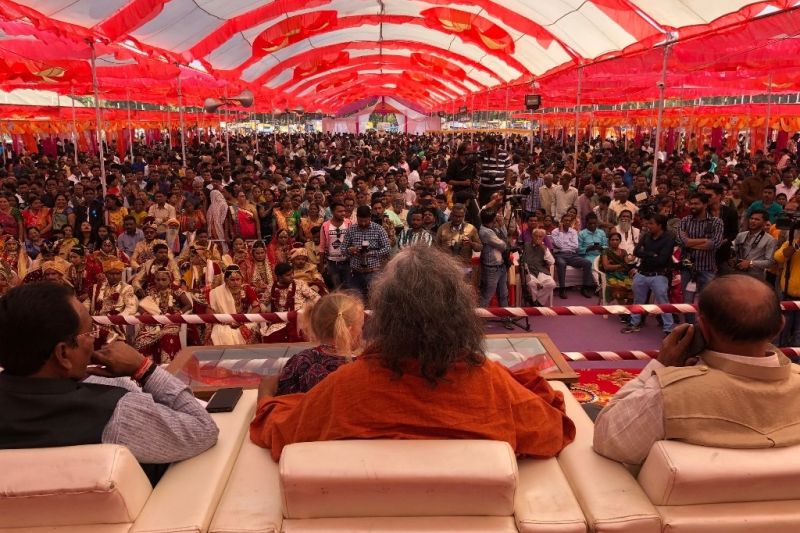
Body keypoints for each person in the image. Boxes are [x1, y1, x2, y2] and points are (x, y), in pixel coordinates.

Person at [249, 246, 575, 461]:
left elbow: (277, 430)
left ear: (385, 315)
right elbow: (553, 430)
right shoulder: (490, 383)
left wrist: (266, 397)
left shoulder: (345, 385)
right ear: (460, 314)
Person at [0, 283, 218, 485]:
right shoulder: (115, 413)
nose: (95, 340)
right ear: (63, 353)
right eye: (89, 332)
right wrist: (143, 369)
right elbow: (203, 428)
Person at [594, 275, 796, 466]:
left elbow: (607, 439)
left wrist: (660, 366)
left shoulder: (668, 396)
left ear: (703, 328)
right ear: (780, 326)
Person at [275, 292, 364, 396]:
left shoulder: (300, 360)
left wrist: (266, 389)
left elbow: (283, 398)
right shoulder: (360, 369)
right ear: (349, 330)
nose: (361, 331)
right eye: (361, 326)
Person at [622, 214, 677, 335]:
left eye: (651, 223)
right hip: (642, 273)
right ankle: (634, 323)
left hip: (659, 275)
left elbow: (662, 259)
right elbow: (636, 251)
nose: (648, 225)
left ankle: (668, 329)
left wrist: (645, 254)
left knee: (663, 302)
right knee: (637, 300)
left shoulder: (669, 237)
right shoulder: (646, 235)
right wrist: (652, 254)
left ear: (660, 225)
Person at [675, 192, 723, 324]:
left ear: (705, 204)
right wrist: (704, 240)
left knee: (707, 302)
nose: (692, 206)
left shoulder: (716, 222)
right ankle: (690, 327)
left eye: (696, 203)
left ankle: (705, 328)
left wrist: (689, 242)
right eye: (691, 203)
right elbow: (681, 241)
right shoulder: (685, 221)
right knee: (687, 303)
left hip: (707, 269)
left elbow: (715, 244)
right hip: (687, 270)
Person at [134, 268, 192, 364]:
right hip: (153, 321)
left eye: (164, 279)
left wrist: (179, 313)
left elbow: (188, 305)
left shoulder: (175, 290)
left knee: (166, 337)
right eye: (158, 280)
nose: (160, 282)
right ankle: (147, 366)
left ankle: (167, 365)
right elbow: (141, 306)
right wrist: (145, 314)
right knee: (142, 338)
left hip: (171, 321)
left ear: (170, 279)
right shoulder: (150, 291)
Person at [261, 262, 320, 342]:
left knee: (302, 336)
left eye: (292, 273)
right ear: (279, 277)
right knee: (271, 337)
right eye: (288, 275)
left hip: (299, 319)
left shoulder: (300, 284)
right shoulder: (271, 287)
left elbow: (316, 298)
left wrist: (308, 310)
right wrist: (262, 306)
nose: (292, 276)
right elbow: (263, 302)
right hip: (280, 321)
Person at [343, 206, 391, 301]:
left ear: (370, 217)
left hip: (373, 272)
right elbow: (343, 248)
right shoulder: (351, 230)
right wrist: (350, 250)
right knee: (355, 301)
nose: (363, 223)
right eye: (360, 221)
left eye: (366, 221)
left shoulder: (379, 229)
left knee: (374, 300)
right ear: (357, 217)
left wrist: (372, 253)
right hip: (355, 273)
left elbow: (387, 248)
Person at [87, 258, 138, 348]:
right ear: (106, 274)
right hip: (97, 322)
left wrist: (117, 318)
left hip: (115, 324)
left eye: (117, 274)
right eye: (111, 274)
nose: (114, 276)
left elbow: (131, 308)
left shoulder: (127, 288)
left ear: (121, 274)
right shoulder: (97, 288)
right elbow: (88, 303)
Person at [208, 264, 263, 346]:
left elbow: (256, 307)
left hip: (244, 321)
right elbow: (209, 310)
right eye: (232, 280)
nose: (236, 282)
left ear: (242, 279)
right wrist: (224, 321)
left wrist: (243, 320)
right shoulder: (217, 292)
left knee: (245, 331)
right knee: (221, 332)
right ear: (226, 280)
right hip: (224, 322)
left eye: (238, 279)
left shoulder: (246, 289)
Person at [551, 214, 595, 299]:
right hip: (560, 255)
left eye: (569, 220)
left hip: (572, 255)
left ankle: (585, 287)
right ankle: (562, 289)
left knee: (587, 263)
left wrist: (564, 245)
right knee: (561, 263)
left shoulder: (573, 231)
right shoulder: (555, 232)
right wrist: (561, 232)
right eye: (565, 220)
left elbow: (575, 246)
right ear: (561, 222)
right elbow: (559, 245)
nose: (567, 222)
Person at [435, 203, 482, 281]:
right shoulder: (442, 228)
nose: (457, 219)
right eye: (455, 216)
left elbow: (479, 248)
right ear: (451, 215)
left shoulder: (471, 228)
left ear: (464, 216)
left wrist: (471, 243)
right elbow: (436, 248)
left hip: (465, 268)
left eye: (460, 216)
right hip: (447, 267)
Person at [731, 209, 776, 279]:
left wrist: (750, 263)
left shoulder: (770, 240)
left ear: (764, 223)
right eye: (751, 218)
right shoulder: (741, 235)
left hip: (755, 277)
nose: (753, 221)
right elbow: (733, 250)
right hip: (737, 273)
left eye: (757, 219)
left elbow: (769, 262)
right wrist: (733, 258)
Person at [318, 201, 352, 289]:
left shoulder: (348, 223)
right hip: (332, 262)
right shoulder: (325, 225)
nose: (343, 213)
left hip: (346, 261)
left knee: (348, 287)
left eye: (344, 211)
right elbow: (322, 246)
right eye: (340, 211)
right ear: (333, 212)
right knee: (336, 287)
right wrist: (321, 265)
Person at [521, 228, 556, 306]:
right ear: (532, 236)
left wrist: (544, 249)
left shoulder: (544, 248)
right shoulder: (525, 246)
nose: (538, 238)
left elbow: (552, 261)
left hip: (540, 271)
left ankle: (537, 302)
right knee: (531, 283)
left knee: (552, 283)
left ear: (543, 238)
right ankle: (536, 302)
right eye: (536, 236)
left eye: (540, 237)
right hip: (528, 271)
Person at [601, 232, 636, 307]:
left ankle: (626, 309)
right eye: (612, 240)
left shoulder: (623, 251)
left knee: (634, 288)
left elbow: (627, 263)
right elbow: (606, 267)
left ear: (620, 241)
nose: (615, 241)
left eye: (617, 240)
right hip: (611, 275)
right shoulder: (605, 251)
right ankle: (624, 311)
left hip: (624, 275)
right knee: (618, 291)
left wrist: (631, 259)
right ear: (609, 241)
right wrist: (621, 265)